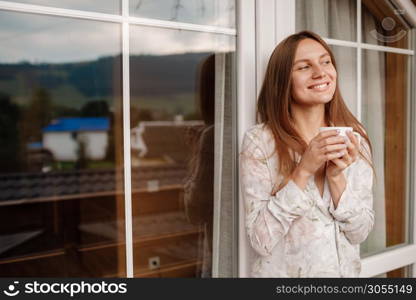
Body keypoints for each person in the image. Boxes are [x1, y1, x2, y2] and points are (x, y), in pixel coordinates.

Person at [240, 31, 375, 277]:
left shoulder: (355, 137)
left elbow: (360, 232)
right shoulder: (259, 142)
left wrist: (336, 178)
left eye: (325, 61)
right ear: (283, 81)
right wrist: (303, 170)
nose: (320, 72)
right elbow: (261, 241)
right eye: (304, 67)